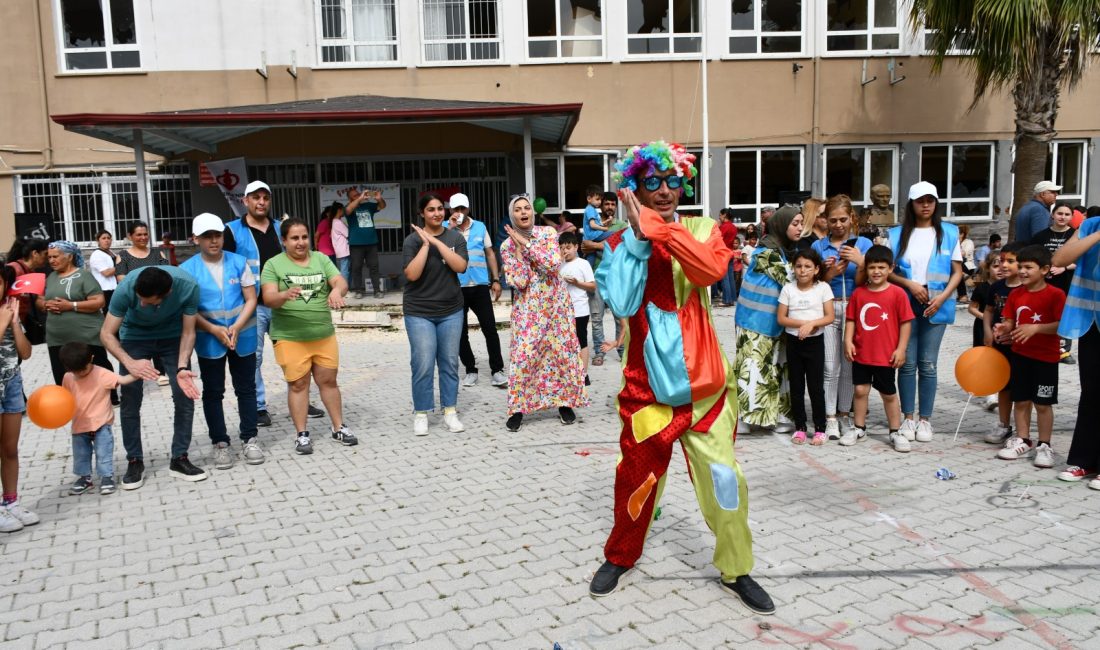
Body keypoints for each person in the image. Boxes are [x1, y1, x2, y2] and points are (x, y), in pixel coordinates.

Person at [588, 141, 772, 615]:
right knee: (635, 480)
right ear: (636, 185)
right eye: (652, 182)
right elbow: (625, 303)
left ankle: (737, 568)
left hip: (707, 387)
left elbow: (710, 270)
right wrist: (635, 236)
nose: (665, 190)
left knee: (726, 481)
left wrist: (659, 231)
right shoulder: (616, 240)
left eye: (672, 182)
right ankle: (621, 556)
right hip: (646, 389)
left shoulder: (704, 229)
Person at [225, 180, 324, 427]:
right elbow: (227, 266)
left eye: (265, 198)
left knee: (297, 355)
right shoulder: (232, 231)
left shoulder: (282, 228)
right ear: (245, 201)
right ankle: (258, 407)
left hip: (285, 304)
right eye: (255, 198)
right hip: (253, 307)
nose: (261, 202)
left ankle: (301, 398)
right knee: (254, 358)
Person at [100, 266, 204, 488]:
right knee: (130, 401)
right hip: (135, 338)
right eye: (140, 299)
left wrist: (182, 366)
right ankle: (134, 460)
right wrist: (130, 363)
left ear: (166, 294)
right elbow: (106, 334)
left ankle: (180, 458)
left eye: (148, 301)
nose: (142, 304)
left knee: (184, 395)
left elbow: (189, 331)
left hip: (172, 337)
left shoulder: (188, 287)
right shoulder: (126, 288)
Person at [260, 219, 356, 454]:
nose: (300, 242)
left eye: (304, 237)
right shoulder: (273, 265)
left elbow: (340, 281)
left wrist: (336, 290)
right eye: (294, 238)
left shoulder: (321, 259)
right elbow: (268, 298)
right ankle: (302, 434)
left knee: (328, 382)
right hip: (290, 337)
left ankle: (338, 427)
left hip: (322, 335)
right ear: (284, 241)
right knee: (298, 384)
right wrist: (284, 294)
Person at [180, 213, 263, 468]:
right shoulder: (187, 271)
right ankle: (220, 443)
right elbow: (189, 311)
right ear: (196, 239)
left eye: (217, 235)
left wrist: (237, 326)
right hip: (209, 339)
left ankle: (250, 438)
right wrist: (214, 329)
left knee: (246, 388)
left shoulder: (239, 262)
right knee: (214, 392)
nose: (214, 241)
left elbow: (251, 299)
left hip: (243, 336)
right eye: (207, 237)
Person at [499, 195, 587, 432]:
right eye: (517, 209)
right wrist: (518, 250)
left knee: (561, 355)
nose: (523, 212)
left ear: (533, 212)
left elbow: (552, 265)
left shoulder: (548, 234)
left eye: (526, 207)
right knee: (524, 357)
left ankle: (564, 404)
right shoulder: (506, 245)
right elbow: (519, 281)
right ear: (512, 215)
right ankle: (518, 408)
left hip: (556, 307)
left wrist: (526, 244)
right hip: (528, 310)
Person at [885, 181, 964, 444]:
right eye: (921, 201)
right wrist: (909, 284)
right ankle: (908, 417)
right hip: (906, 301)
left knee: (928, 364)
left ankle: (925, 420)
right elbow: (888, 271)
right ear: (911, 204)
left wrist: (941, 298)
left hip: (936, 302)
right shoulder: (896, 234)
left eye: (930, 200)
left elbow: (957, 272)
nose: (926, 205)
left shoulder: (949, 232)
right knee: (907, 363)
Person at [402, 194, 469, 436]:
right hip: (419, 312)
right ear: (422, 213)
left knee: (450, 362)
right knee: (422, 363)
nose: (437, 213)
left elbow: (460, 267)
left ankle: (450, 411)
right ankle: (421, 413)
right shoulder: (412, 241)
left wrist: (437, 242)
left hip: (451, 311)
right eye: (431, 210)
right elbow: (412, 274)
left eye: (440, 208)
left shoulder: (455, 237)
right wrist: (426, 244)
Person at [993, 246, 1065, 469]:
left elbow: (1062, 326)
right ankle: (1023, 439)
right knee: (1021, 400)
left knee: (1043, 404)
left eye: (1028, 267)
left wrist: (1036, 329)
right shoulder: (1016, 294)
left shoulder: (1056, 294)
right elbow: (1010, 321)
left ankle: (1045, 445)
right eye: (1020, 267)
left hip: (1046, 359)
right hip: (1020, 356)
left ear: (1044, 269)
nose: (1022, 271)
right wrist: (1003, 329)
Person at [734, 205, 804, 432]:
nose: (800, 228)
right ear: (781, 225)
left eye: (802, 223)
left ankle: (778, 417)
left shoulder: (783, 251)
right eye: (795, 223)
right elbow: (792, 280)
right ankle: (745, 419)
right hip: (754, 322)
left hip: (775, 323)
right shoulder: (766, 252)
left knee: (776, 368)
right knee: (753, 368)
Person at [813, 194, 874, 441]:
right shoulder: (818, 246)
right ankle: (829, 418)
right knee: (830, 366)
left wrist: (860, 263)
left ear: (852, 218)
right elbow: (815, 283)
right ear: (825, 221)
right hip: (829, 307)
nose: (838, 225)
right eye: (833, 220)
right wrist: (829, 272)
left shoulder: (864, 245)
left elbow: (865, 281)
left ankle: (844, 414)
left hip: (853, 309)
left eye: (843, 220)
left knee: (849, 365)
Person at [845, 246, 914, 451]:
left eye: (881, 267)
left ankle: (895, 431)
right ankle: (859, 428)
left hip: (885, 356)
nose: (876, 271)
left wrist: (901, 349)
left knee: (888, 394)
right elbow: (851, 320)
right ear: (865, 269)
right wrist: (847, 341)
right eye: (872, 267)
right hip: (862, 353)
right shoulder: (859, 294)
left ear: (891, 268)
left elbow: (906, 323)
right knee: (860, 390)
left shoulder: (898, 294)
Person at [1052, 212, 1100, 488]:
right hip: (1091, 322)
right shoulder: (1091, 225)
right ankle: (1084, 460)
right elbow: (1059, 260)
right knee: (1092, 391)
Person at [38, 241, 118, 405]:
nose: (51, 260)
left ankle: (110, 396)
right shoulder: (50, 278)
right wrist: (45, 305)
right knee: (61, 371)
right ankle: (68, 402)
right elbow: (40, 300)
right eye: (49, 257)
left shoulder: (84, 275)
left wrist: (71, 305)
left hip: (86, 335)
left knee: (97, 365)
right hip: (57, 337)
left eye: (55, 256)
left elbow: (99, 301)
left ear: (69, 257)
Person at [59, 342, 142, 496]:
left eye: (83, 369)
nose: (80, 373)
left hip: (101, 424)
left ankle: (106, 477)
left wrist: (139, 373)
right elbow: (64, 398)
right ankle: (84, 478)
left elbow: (122, 380)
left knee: (103, 453)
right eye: (75, 371)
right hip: (79, 424)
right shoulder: (68, 377)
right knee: (81, 454)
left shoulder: (101, 374)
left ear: (91, 358)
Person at [447, 192, 506, 389]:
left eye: (462, 208)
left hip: (480, 285)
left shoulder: (480, 227)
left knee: (490, 328)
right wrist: (451, 228)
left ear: (468, 208)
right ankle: (470, 370)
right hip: (457, 287)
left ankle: (497, 370)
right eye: (456, 209)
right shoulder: (446, 230)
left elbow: (490, 253)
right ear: (450, 210)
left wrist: (495, 279)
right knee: (460, 332)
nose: (460, 212)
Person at [777, 249, 834, 445]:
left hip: (815, 343)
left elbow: (829, 316)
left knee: (816, 387)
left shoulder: (823, 288)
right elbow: (781, 317)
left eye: (808, 266)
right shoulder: (788, 289)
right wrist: (801, 325)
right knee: (797, 387)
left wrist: (812, 324)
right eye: (799, 266)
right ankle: (800, 427)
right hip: (794, 343)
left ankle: (820, 429)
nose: (802, 271)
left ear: (817, 269)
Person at [0, 272, 35, 533]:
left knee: (10, 449)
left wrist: (13, 323)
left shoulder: (8, 310)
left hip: (11, 383)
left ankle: (11, 502)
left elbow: (26, 352)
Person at [982, 242, 1025, 444]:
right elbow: (989, 310)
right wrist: (987, 333)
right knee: (1004, 387)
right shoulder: (997, 287)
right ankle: (1003, 425)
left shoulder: (1027, 289)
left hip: (1022, 347)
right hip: (1000, 346)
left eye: (1010, 261)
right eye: (1001, 261)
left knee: (1022, 390)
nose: (1004, 266)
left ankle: (1022, 431)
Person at [1030, 201, 1078, 363]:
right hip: (1044, 282)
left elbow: (1082, 260)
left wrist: (1064, 267)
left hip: (1066, 282)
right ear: (1052, 215)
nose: (1062, 217)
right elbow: (1032, 258)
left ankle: (1063, 351)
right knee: (1044, 314)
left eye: (1067, 214)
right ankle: (1044, 346)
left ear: (1071, 216)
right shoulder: (1040, 236)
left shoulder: (1076, 235)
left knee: (1064, 316)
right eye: (1059, 213)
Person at [584, 192, 626, 366]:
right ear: (601, 206)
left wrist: (596, 245)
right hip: (596, 277)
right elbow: (584, 247)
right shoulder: (593, 225)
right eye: (606, 204)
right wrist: (595, 246)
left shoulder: (622, 226)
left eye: (612, 204)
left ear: (616, 207)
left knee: (620, 317)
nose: (609, 207)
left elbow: (623, 249)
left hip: (617, 279)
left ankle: (623, 351)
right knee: (596, 317)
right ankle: (599, 352)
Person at [558, 232, 596, 384]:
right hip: (561, 311)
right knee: (564, 342)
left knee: (581, 340)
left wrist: (576, 283)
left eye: (567, 247)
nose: (565, 251)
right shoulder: (558, 264)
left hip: (579, 310)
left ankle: (583, 373)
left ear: (576, 247)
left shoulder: (583, 264)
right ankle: (568, 372)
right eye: (561, 248)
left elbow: (592, 286)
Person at [344, 187, 388, 299]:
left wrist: (379, 199)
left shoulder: (368, 206)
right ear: (350, 199)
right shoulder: (349, 208)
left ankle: (377, 290)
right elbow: (348, 210)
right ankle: (358, 290)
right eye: (355, 195)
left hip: (371, 242)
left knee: (374, 267)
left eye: (358, 194)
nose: (358, 195)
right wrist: (359, 199)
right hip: (356, 244)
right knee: (356, 267)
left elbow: (383, 206)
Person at [88, 230, 120, 313]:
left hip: (114, 288)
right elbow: (106, 273)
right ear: (98, 241)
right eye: (103, 238)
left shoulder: (111, 252)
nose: (106, 240)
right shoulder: (97, 254)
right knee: (108, 313)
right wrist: (122, 266)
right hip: (104, 289)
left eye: (108, 238)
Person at [714, 209, 740, 306]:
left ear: (724, 215)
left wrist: (717, 226)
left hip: (723, 253)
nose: (719, 217)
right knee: (730, 277)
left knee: (724, 278)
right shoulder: (733, 226)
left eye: (720, 215)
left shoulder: (724, 227)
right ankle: (732, 298)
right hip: (730, 252)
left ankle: (727, 300)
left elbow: (718, 238)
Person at [581, 184, 610, 266]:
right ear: (589, 199)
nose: (599, 202)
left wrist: (606, 222)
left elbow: (597, 224)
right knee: (614, 234)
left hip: (590, 237)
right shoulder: (590, 209)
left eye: (600, 200)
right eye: (597, 199)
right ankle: (599, 249)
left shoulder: (591, 209)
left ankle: (587, 275)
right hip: (594, 235)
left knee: (590, 262)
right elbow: (592, 225)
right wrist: (604, 229)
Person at [329, 202, 351, 285]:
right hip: (343, 250)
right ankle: (344, 288)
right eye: (343, 210)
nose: (344, 212)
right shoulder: (337, 222)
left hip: (342, 250)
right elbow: (348, 233)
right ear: (339, 210)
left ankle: (345, 287)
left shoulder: (335, 221)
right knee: (345, 270)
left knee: (345, 269)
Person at [956, 225, 975, 303]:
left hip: (968, 265)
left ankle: (963, 295)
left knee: (957, 271)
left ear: (962, 234)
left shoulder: (968, 242)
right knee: (958, 273)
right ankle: (961, 295)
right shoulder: (955, 242)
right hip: (959, 265)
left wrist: (958, 243)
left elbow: (962, 254)